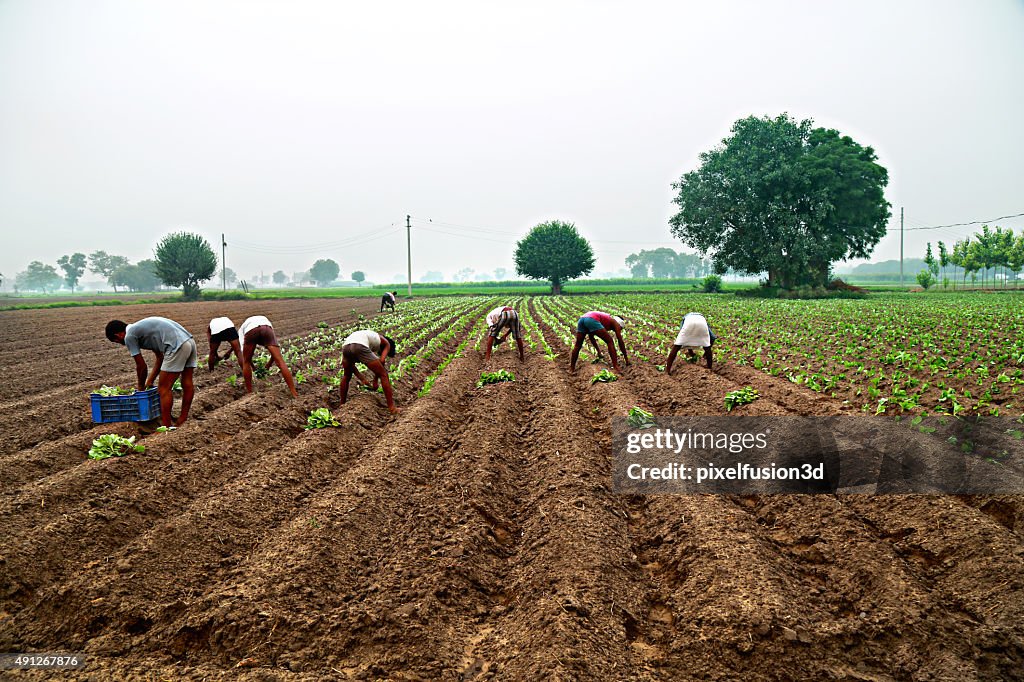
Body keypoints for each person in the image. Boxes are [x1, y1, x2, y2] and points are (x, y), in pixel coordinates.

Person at [104, 316, 197, 428]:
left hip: (176, 346)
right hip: (189, 342)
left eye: (117, 342)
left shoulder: (129, 336)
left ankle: (166, 427)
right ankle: (182, 419)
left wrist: (141, 388)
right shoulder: (142, 330)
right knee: (187, 382)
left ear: (118, 335)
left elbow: (141, 366)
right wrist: (150, 381)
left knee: (163, 389)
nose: (121, 343)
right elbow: (160, 358)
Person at [339, 329, 399, 414]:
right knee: (384, 375)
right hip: (360, 345)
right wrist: (375, 381)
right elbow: (381, 362)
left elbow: (351, 366)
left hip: (346, 347)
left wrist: (362, 379)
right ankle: (392, 408)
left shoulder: (369, 336)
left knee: (347, 375)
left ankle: (342, 403)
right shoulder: (386, 343)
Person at [239, 315, 299, 398]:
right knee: (280, 362)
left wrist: (254, 367)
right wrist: (268, 365)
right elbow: (274, 354)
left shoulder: (242, 331)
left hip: (251, 330)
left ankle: (249, 392)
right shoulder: (266, 325)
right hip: (266, 328)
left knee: (246, 362)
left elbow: (246, 357)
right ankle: (294, 393)